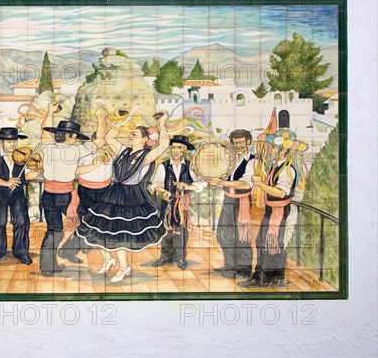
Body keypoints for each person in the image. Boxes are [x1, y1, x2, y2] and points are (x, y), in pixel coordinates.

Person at [76, 110, 170, 283]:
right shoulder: (123, 151)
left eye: (134, 134)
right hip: (114, 193)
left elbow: (164, 145)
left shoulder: (145, 156)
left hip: (131, 197)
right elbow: (110, 138)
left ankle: (123, 267)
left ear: (144, 139)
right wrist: (120, 119)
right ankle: (108, 260)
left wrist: (163, 123)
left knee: (120, 234)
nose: (130, 136)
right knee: (98, 229)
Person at [39, 102, 107, 277]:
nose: (76, 139)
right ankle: (74, 248)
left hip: (47, 195)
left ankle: (47, 267)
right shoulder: (74, 151)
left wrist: (50, 112)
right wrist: (100, 118)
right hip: (65, 197)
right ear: (69, 136)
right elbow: (99, 140)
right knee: (90, 220)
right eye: (75, 136)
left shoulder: (47, 147)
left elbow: (45, 131)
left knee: (53, 231)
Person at [238, 130, 298, 288]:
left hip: (279, 211)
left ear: (283, 149)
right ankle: (274, 276)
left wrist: (259, 184)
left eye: (272, 146)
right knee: (268, 242)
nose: (268, 149)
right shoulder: (275, 166)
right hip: (273, 210)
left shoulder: (287, 169)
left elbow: (280, 192)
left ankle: (263, 278)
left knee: (270, 242)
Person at [0, 127, 43, 265]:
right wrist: (5, 182)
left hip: (17, 193)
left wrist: (39, 169)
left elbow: (26, 176)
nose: (13, 145)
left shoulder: (21, 156)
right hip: (0, 192)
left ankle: (21, 252)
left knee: (21, 222)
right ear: (1, 142)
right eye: (9, 142)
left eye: (15, 141)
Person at [150, 135, 206, 270]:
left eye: (179, 148)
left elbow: (201, 182)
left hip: (182, 204)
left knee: (181, 230)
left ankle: (180, 257)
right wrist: (163, 191)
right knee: (165, 229)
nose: (175, 150)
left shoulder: (191, 166)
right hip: (166, 203)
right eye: (173, 147)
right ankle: (165, 256)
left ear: (184, 150)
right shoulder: (163, 166)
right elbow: (155, 184)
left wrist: (187, 186)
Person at [57, 135, 115, 264]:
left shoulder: (112, 152)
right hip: (86, 190)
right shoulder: (83, 152)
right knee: (86, 221)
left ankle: (74, 248)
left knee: (98, 223)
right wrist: (94, 163)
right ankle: (73, 248)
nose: (103, 144)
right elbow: (75, 170)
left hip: (104, 191)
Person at [208, 129, 256, 279]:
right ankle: (230, 266)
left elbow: (246, 184)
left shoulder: (253, 161)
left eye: (242, 142)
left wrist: (221, 182)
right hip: (228, 200)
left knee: (242, 237)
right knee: (223, 235)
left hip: (242, 202)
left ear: (248, 142)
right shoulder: (231, 159)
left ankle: (243, 270)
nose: (239, 145)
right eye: (236, 143)